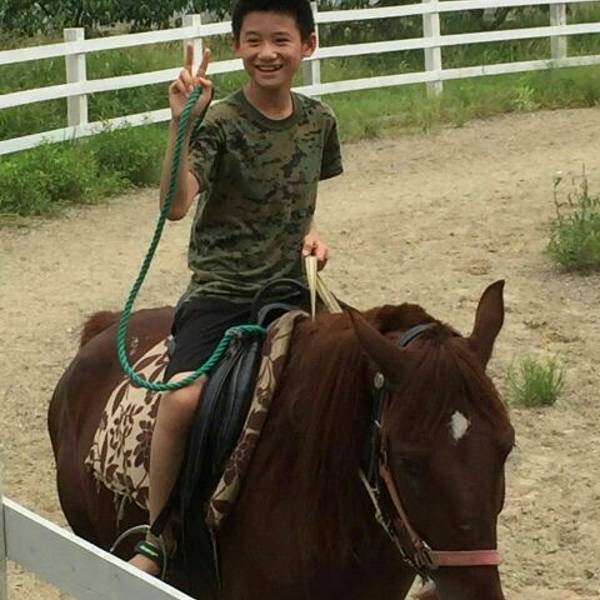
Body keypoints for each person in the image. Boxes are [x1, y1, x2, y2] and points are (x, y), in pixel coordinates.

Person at [129, 0, 343, 576]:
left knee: (352, 377)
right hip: (221, 293)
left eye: (280, 40)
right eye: (253, 40)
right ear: (236, 47)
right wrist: (180, 123)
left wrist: (311, 236)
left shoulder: (320, 121)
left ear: (308, 45)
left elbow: (294, 197)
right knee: (182, 401)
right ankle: (158, 535)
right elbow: (175, 206)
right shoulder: (221, 122)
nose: (266, 53)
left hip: (289, 289)